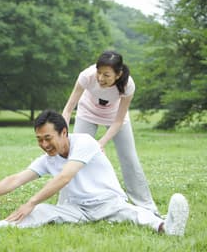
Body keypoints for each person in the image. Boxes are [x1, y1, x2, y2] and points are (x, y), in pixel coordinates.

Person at [0, 110, 189, 236]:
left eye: (48, 138)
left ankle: (166, 227)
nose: (44, 144)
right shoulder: (48, 158)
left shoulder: (85, 142)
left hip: (109, 202)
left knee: (135, 214)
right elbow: (17, 178)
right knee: (39, 212)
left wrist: (30, 200)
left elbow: (65, 177)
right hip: (77, 209)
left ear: (64, 133)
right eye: (39, 140)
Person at [62, 50, 158, 214]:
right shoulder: (86, 76)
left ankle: (146, 206)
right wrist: (62, 134)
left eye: (106, 75)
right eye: (99, 73)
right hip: (87, 112)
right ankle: (67, 203)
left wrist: (101, 142)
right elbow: (69, 108)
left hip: (114, 117)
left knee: (129, 158)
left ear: (118, 74)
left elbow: (119, 121)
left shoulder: (128, 85)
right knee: (75, 156)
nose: (100, 78)